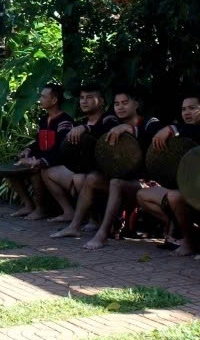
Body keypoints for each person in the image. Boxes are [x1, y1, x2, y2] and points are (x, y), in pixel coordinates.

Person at [136, 95, 200, 258]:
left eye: (192, 108)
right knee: (143, 194)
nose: (187, 112)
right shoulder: (181, 132)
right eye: (184, 109)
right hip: (186, 190)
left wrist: (171, 129)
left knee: (175, 196)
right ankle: (189, 236)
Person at [79, 89, 162, 249]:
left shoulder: (150, 122)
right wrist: (85, 129)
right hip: (122, 178)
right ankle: (75, 225)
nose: (120, 107)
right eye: (117, 104)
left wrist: (130, 130)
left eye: (125, 103)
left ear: (136, 104)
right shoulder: (113, 125)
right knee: (92, 178)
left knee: (116, 183)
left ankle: (102, 235)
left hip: (146, 183)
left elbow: (153, 137)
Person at [41, 84, 119, 223]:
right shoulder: (80, 122)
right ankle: (78, 214)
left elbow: (107, 131)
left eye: (89, 97)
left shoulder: (109, 118)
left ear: (101, 101)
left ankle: (94, 220)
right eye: (82, 98)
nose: (83, 101)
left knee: (82, 179)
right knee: (49, 172)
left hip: (107, 175)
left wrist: (87, 128)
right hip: (84, 172)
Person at [8, 83, 74, 219]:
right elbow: (38, 143)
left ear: (54, 100)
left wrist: (41, 161)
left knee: (36, 170)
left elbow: (61, 148)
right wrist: (28, 151)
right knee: (12, 170)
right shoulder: (44, 120)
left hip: (58, 162)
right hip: (44, 159)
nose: (40, 100)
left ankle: (41, 208)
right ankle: (28, 205)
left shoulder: (65, 121)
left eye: (44, 97)